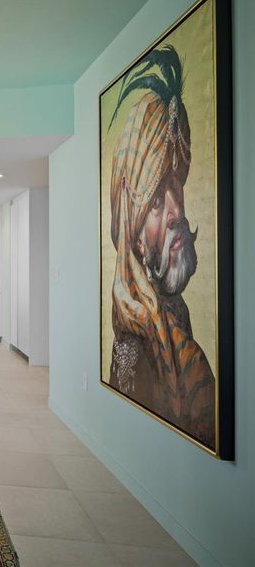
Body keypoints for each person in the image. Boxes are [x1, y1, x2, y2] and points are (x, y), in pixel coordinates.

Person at [107, 45, 214, 447]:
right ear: (132, 231)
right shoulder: (133, 344)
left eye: (175, 187)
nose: (175, 212)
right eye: (155, 201)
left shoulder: (174, 314)